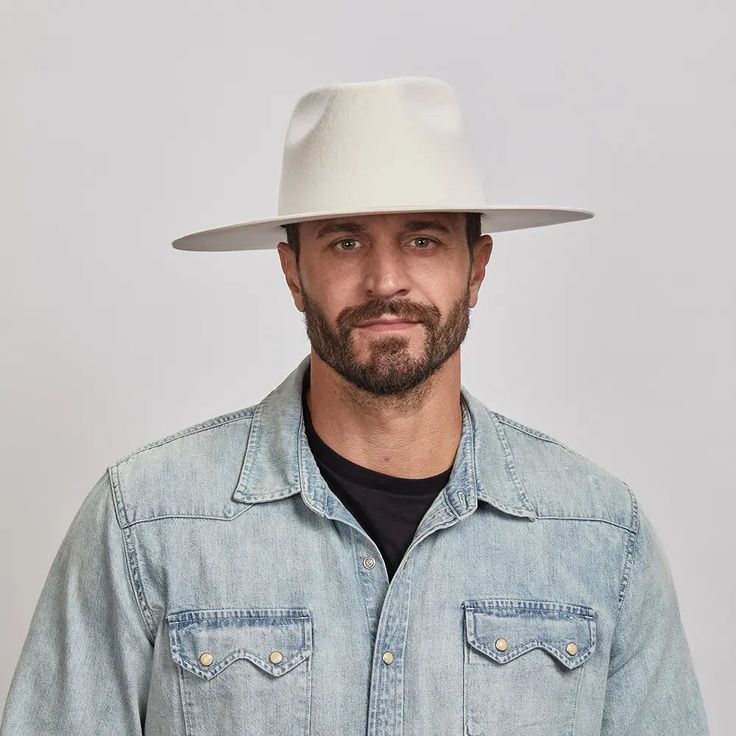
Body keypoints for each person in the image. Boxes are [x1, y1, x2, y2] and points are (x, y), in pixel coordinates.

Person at [0, 76, 710, 735]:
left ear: (478, 267)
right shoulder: (148, 522)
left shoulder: (597, 533)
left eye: (423, 239)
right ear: (293, 272)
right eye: (345, 241)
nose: (386, 279)